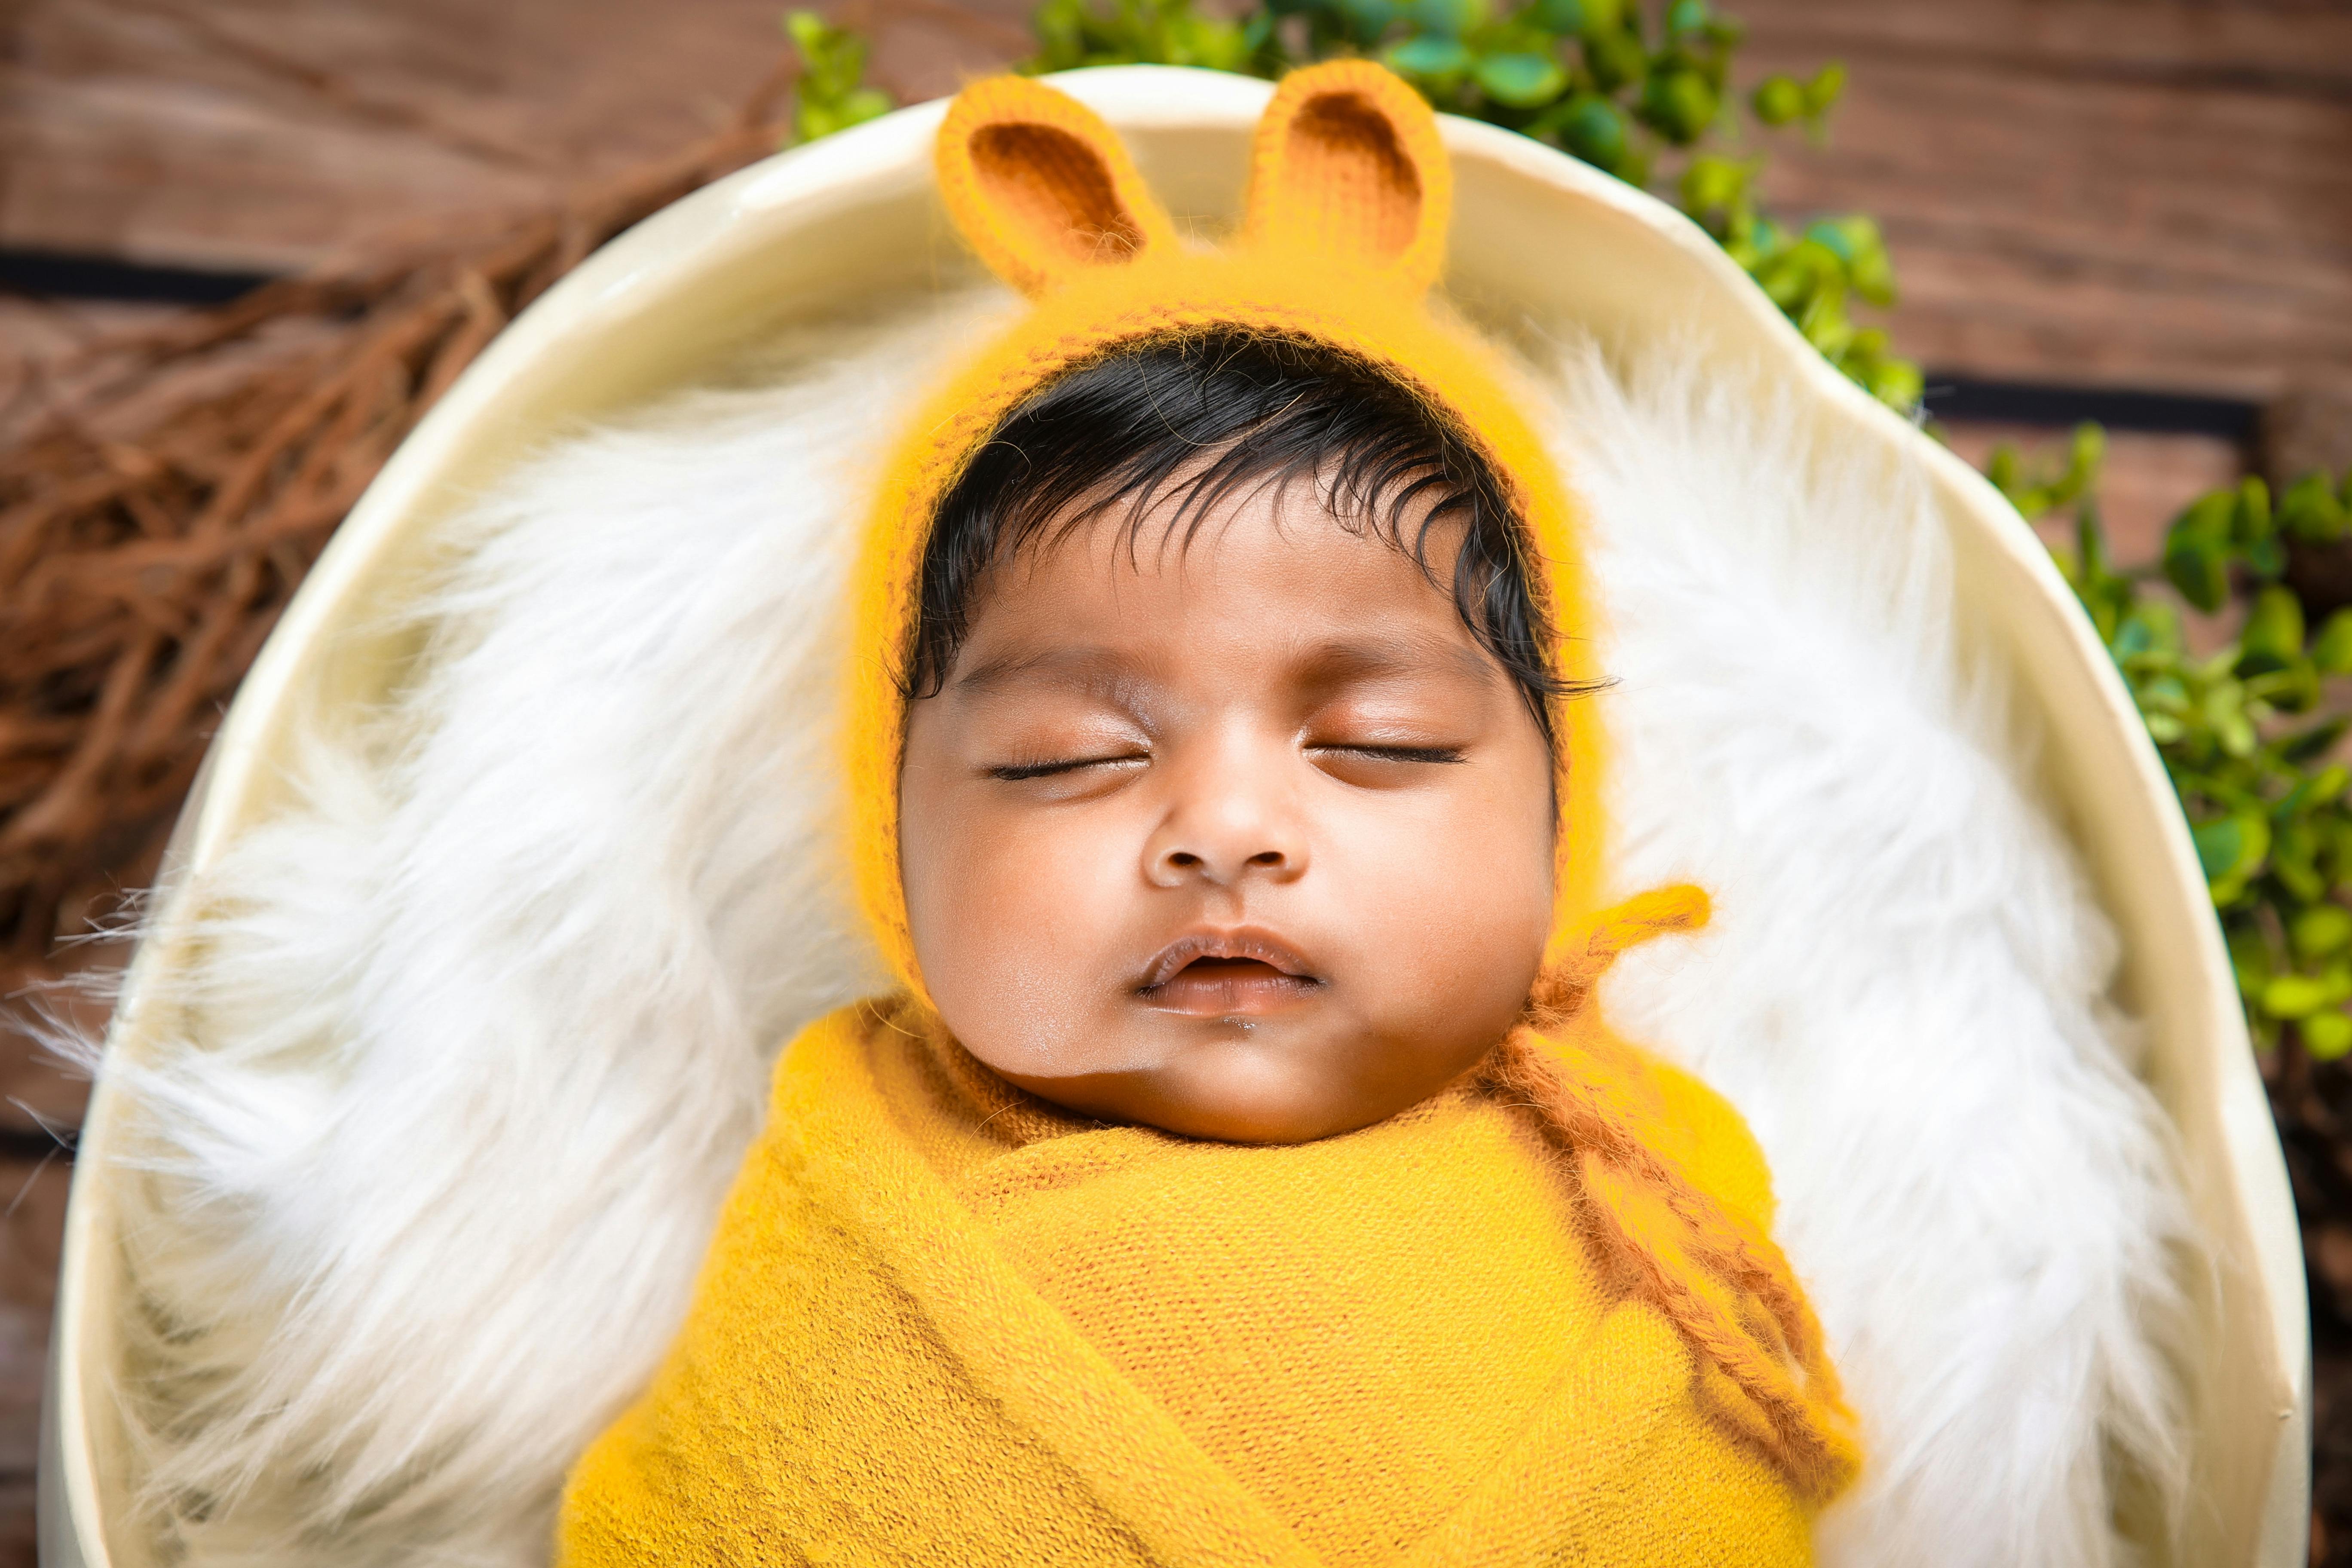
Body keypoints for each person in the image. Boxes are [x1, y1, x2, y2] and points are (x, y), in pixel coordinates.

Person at [557, 61, 1859, 1566]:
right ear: (900, 855)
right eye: (1068, 755)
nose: (1226, 828)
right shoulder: (840, 1219)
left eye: (1380, 741)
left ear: (1555, 838)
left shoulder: (1653, 1221)